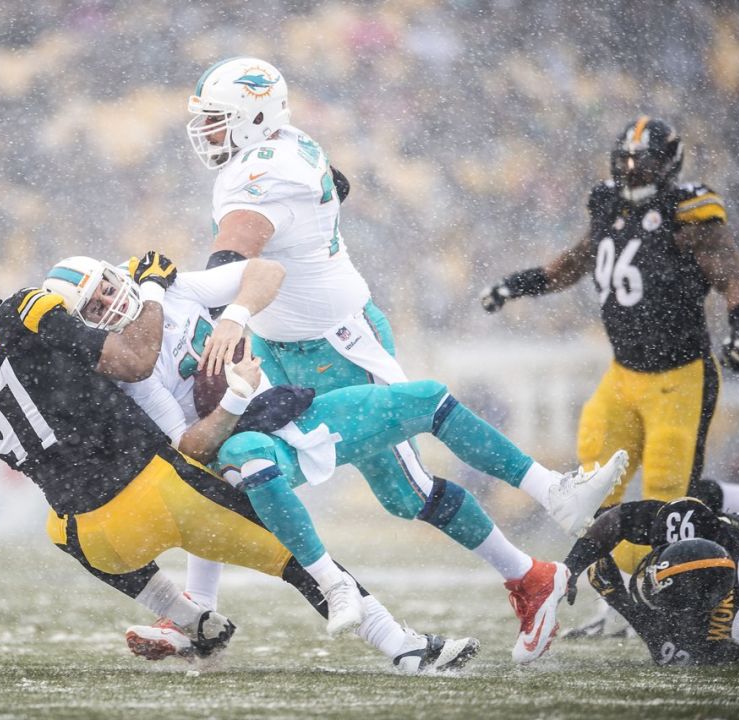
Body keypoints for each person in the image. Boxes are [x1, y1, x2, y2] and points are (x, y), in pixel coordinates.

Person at [184, 56, 627, 662]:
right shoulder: (285, 145)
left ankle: (534, 562)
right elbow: (337, 184)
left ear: (256, 116)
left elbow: (232, 255)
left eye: (216, 122)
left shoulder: (261, 173)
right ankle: (195, 614)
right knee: (228, 470)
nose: (205, 134)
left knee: (406, 491)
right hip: (281, 343)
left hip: (338, 346)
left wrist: (212, 311)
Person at [44, 255, 626, 664]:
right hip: (253, 444)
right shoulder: (127, 374)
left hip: (293, 408)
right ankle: (338, 603)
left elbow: (266, 272)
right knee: (244, 461)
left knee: (423, 405)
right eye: (92, 305)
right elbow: (190, 450)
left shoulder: (172, 291)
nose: (108, 301)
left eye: (106, 286)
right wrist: (238, 396)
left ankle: (552, 499)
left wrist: (234, 315)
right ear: (82, 327)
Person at [0, 258, 479, 674]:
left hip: (97, 536)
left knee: (58, 528)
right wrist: (153, 289)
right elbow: (131, 360)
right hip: (157, 487)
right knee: (297, 561)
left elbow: (37, 394)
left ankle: (188, 617)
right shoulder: (26, 310)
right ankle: (400, 644)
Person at [479, 116, 739, 630]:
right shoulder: (608, 201)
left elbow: (730, 271)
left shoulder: (687, 209)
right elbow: (578, 261)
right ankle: (618, 601)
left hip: (680, 377)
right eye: (625, 159)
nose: (632, 168)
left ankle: (677, 597)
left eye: (644, 160)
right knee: (590, 489)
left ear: (668, 164)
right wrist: (518, 284)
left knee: (671, 496)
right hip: (622, 375)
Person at [561, 497, 739, 665]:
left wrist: (618, 597)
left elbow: (679, 659)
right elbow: (618, 519)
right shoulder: (718, 529)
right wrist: (570, 569)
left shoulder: (723, 610)